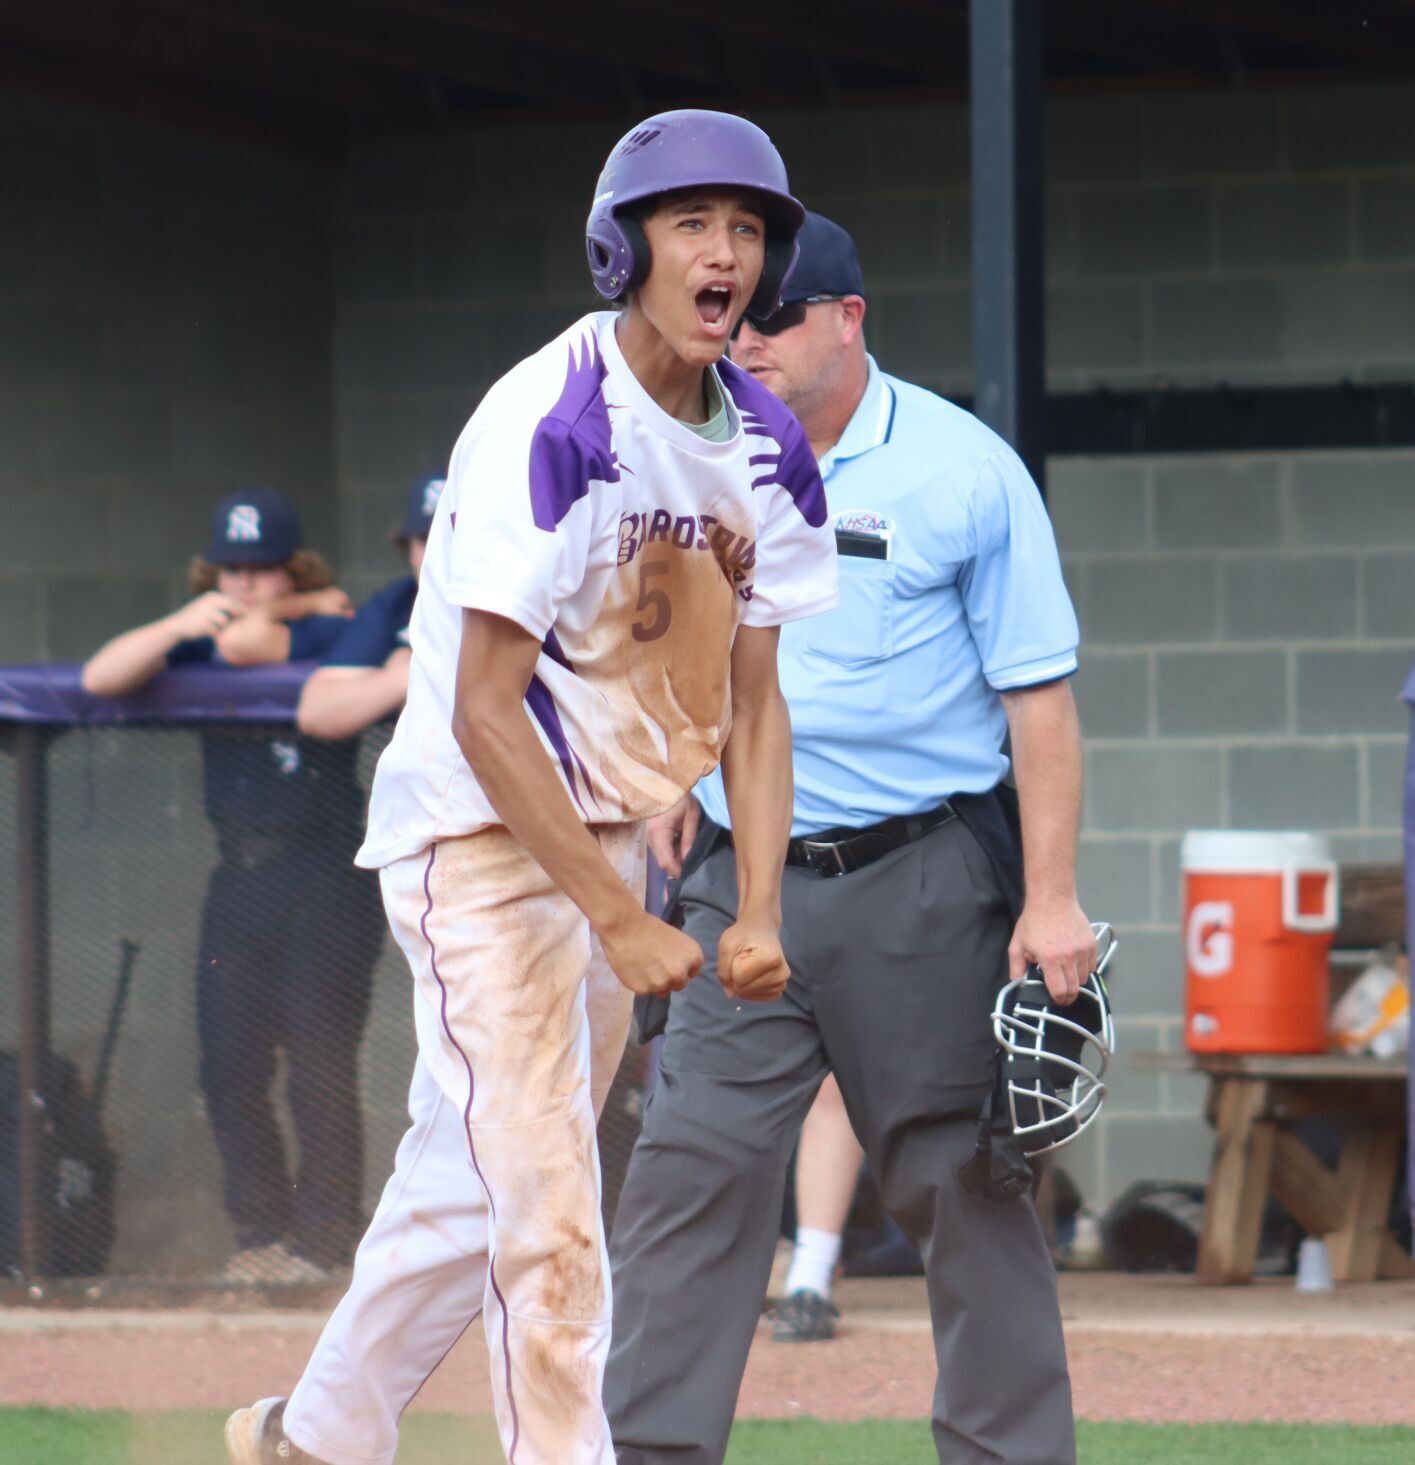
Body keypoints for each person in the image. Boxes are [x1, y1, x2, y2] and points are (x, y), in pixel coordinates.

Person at [224, 110, 837, 1465]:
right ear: (624, 249)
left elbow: (754, 698)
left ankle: (312, 1437)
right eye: (690, 224)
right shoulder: (548, 421)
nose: (721, 250)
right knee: (552, 1210)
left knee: (479, 1174)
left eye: (744, 227)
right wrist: (620, 922)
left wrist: (754, 908)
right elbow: (480, 711)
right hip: (478, 838)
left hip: (612, 842)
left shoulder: (765, 452)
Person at [604, 212, 1094, 1465]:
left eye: (773, 314)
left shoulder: (961, 467)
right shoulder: (693, 447)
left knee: (961, 1185)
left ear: (847, 319)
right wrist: (672, 767)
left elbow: (1037, 703)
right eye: (730, 312)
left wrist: (1049, 899)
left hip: (919, 878)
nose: (744, 335)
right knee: (687, 1175)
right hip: (740, 879)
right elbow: (677, 636)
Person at [82, 488, 385, 1284]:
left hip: (323, 870)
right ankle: (261, 1235)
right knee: (228, 1067)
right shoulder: (202, 629)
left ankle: (322, 1244)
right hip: (239, 872)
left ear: (291, 569)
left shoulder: (326, 626)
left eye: (262, 568)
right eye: (231, 567)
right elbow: (102, 675)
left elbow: (255, 645)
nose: (244, 582)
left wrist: (309, 601)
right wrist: (182, 623)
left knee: (318, 1062)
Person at [296, 474, 443, 741]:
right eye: (426, 540)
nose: (439, 553)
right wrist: (408, 674)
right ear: (408, 551)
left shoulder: (514, 602)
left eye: (451, 536)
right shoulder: (396, 603)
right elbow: (315, 711)